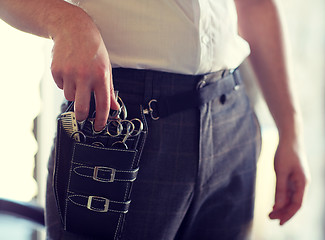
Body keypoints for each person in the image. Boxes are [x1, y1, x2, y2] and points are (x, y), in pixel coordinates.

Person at [0, 0, 309, 239]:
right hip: (119, 122)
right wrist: (64, 19)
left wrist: (291, 129)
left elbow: (255, 4)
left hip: (229, 115)